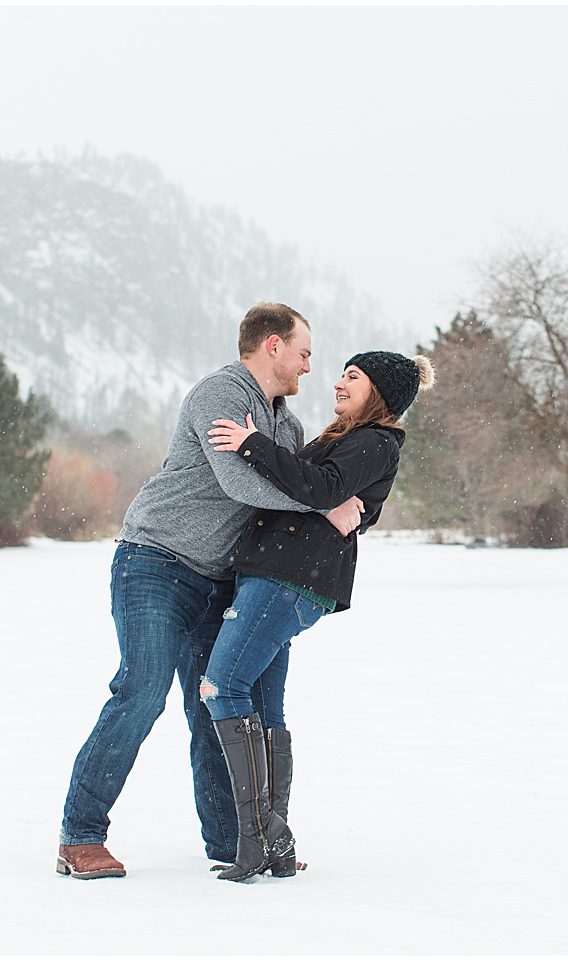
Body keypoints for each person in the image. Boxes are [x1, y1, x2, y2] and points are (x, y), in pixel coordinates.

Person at [57, 303, 364, 880]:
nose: (307, 367)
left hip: (222, 578)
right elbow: (240, 480)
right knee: (142, 689)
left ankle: (231, 842)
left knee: (213, 705)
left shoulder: (287, 425)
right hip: (157, 560)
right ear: (272, 346)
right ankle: (80, 835)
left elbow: (297, 482)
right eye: (303, 353)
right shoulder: (219, 395)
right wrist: (326, 504)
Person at [198, 349, 435, 881]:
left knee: (221, 687)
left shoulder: (374, 441)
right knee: (260, 699)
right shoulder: (344, 439)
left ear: (379, 392)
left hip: (289, 579)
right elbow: (315, 491)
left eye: (352, 377)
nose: (337, 384)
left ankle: (258, 838)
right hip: (279, 575)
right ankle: (273, 842)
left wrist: (249, 443)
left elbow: (320, 488)